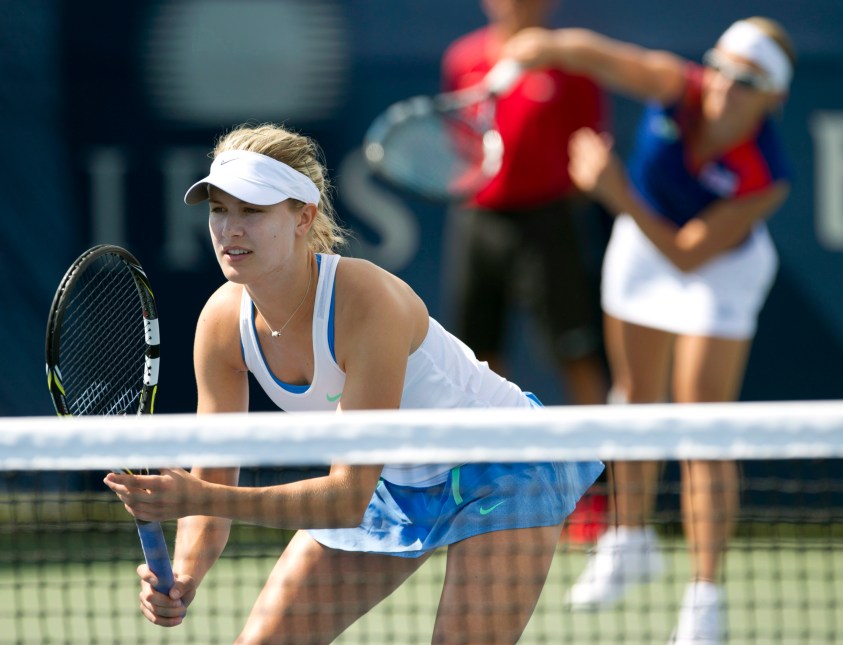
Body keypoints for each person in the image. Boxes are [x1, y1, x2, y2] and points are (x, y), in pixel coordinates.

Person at [102, 122, 604, 644]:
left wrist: (199, 496)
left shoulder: (365, 302)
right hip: (388, 481)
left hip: (503, 465)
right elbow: (213, 473)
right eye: (219, 210)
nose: (230, 229)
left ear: (303, 217)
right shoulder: (222, 324)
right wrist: (185, 572)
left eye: (252, 211)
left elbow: (345, 499)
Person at [503, 16, 795, 643]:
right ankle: (629, 541)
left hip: (717, 269)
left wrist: (616, 193)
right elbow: (597, 53)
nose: (725, 83)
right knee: (634, 397)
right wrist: (541, 47)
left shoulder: (766, 177)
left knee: (702, 425)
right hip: (643, 247)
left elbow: (689, 256)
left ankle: (705, 597)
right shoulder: (674, 83)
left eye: (746, 79)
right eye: (720, 65)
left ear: (773, 97)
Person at [441, 0, 610, 406]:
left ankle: (603, 449)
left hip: (548, 224)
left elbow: (589, 150)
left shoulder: (572, 63)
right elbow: (458, 142)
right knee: (476, 360)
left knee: (575, 352)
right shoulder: (462, 58)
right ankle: (491, 447)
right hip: (477, 220)